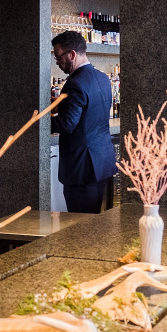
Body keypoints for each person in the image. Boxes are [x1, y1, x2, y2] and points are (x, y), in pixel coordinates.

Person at [51, 30, 117, 213]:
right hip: (101, 162)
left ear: (72, 54)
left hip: (82, 168)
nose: (57, 62)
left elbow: (67, 124)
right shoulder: (102, 78)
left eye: (58, 57)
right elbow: (89, 112)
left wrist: (38, 122)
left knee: (80, 222)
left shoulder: (75, 83)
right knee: (94, 220)